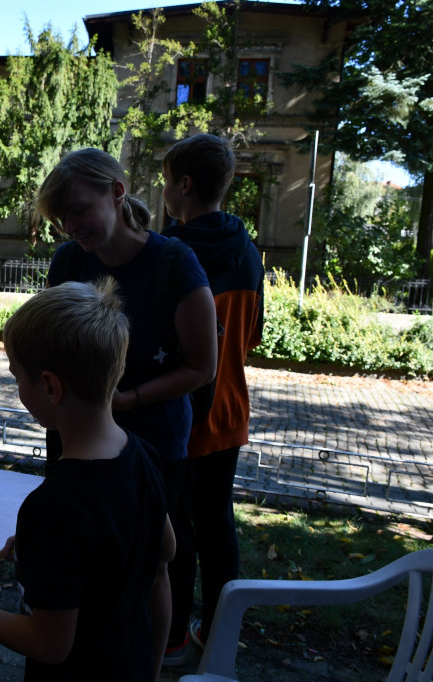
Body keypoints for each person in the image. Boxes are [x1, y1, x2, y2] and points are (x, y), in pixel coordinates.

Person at [0, 279, 175, 680]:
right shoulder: (144, 456)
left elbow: (50, 645)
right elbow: (162, 558)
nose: (18, 390)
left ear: (49, 386)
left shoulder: (55, 507)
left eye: (16, 378)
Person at [36, 147, 217, 506]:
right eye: (61, 218)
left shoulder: (175, 264)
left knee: (151, 555)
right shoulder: (68, 260)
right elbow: (50, 343)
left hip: (153, 444)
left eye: (78, 210)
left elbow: (203, 368)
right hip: (76, 438)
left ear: (117, 193)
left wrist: (126, 400)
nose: (70, 227)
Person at [159, 133, 265, 664]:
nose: (163, 195)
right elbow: (254, 337)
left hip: (187, 413)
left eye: (166, 183)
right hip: (230, 411)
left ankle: (172, 635)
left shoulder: (176, 254)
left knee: (177, 530)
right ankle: (220, 633)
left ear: (185, 184)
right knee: (218, 524)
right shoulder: (248, 250)